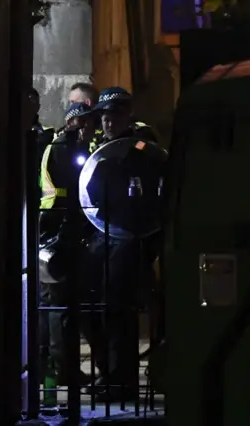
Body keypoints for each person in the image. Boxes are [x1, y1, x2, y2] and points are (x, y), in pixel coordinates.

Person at [81, 86, 162, 403]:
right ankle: (109, 372)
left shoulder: (142, 149)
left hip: (130, 236)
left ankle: (121, 379)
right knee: (91, 309)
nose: (107, 120)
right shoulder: (98, 147)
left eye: (114, 113)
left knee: (118, 310)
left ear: (128, 114)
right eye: (103, 114)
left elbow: (154, 192)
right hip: (100, 234)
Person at [38, 102, 97, 385]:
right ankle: (64, 369)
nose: (89, 127)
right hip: (57, 227)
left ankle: (62, 367)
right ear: (71, 123)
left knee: (64, 302)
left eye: (91, 122)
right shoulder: (64, 148)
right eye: (83, 122)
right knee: (59, 303)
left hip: (62, 227)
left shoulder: (71, 147)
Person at [29, 87, 55, 170]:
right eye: (27, 102)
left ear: (38, 107)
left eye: (32, 102)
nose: (29, 106)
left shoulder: (47, 134)